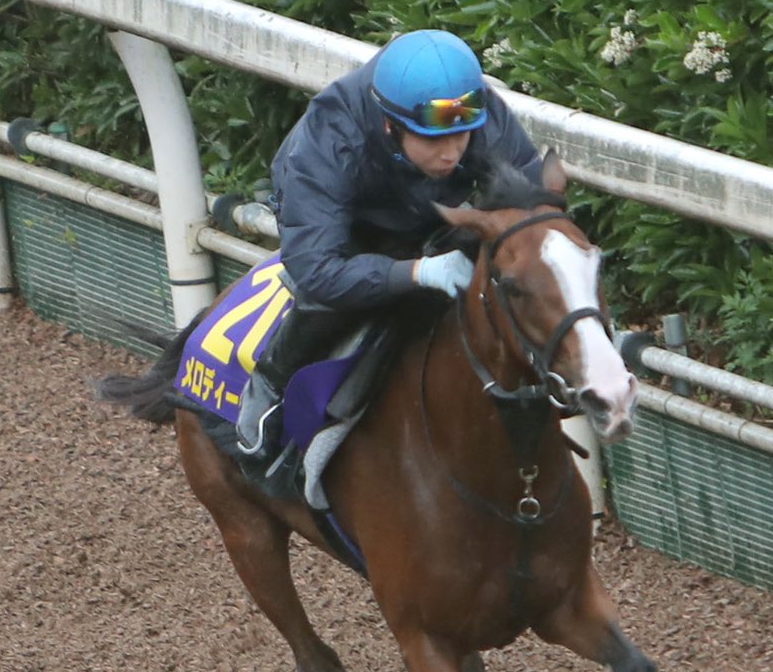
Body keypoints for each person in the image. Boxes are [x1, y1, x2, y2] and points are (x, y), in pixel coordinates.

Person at [230, 27, 543, 459]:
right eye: (433, 139)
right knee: (335, 297)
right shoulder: (330, 141)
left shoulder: (472, 108)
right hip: (343, 218)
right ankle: (271, 383)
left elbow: (532, 205)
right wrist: (417, 271)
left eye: (462, 136)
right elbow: (318, 270)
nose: (452, 153)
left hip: (426, 202)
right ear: (390, 125)